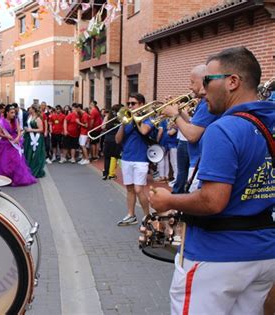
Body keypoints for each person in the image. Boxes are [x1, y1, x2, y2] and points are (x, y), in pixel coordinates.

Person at [150, 46, 275, 314]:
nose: (203, 90)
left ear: (233, 82)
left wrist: (168, 199)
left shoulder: (224, 128)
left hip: (217, 255)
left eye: (209, 80)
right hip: (263, 252)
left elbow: (213, 200)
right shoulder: (270, 122)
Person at [163, 64, 219, 192]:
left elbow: (193, 135)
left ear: (204, 80)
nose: (190, 86)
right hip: (197, 160)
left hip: (199, 163)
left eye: (193, 82)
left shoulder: (207, 103)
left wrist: (175, 115)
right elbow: (194, 123)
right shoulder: (204, 102)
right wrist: (179, 110)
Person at [115, 93, 153, 226]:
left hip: (140, 159)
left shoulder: (148, 119)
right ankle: (131, 215)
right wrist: (123, 124)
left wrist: (136, 119)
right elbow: (118, 140)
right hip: (126, 158)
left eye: (133, 103)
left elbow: (144, 131)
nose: (130, 106)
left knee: (138, 189)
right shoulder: (126, 120)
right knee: (130, 189)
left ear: (141, 104)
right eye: (129, 103)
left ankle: (148, 216)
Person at [0, 105, 36, 186]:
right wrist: (6, 136)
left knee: (16, 161)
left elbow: (20, 131)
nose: (13, 114)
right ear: (7, 113)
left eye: (14, 113)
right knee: (4, 161)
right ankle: (5, 179)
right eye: (12, 113)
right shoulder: (1, 121)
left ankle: (14, 178)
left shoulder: (16, 121)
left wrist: (17, 137)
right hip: (5, 144)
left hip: (14, 142)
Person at [24, 105, 46, 178]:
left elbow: (41, 129)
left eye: (30, 108)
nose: (29, 109)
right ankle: (29, 168)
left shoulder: (38, 118)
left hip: (37, 138)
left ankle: (35, 169)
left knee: (36, 153)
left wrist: (31, 130)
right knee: (29, 152)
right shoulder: (29, 117)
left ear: (33, 109)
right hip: (29, 137)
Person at [102, 104, 122, 180]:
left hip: (107, 138)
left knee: (107, 157)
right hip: (116, 139)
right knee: (114, 156)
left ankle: (105, 174)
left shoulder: (107, 117)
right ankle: (111, 174)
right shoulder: (121, 118)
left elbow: (102, 127)